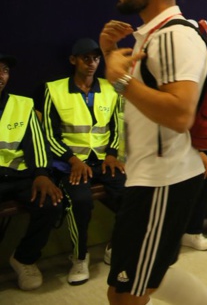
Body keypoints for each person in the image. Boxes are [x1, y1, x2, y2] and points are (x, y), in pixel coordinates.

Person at [99, 0, 207, 305]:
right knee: (148, 278)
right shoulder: (152, 34)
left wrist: (121, 81)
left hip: (162, 180)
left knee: (125, 293)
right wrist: (110, 53)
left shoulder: (173, 36)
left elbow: (179, 113)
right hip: (151, 176)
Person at [41, 38, 126, 285]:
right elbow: (48, 134)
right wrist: (72, 160)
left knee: (130, 194)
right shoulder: (53, 89)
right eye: (86, 58)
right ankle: (79, 257)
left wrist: (112, 153)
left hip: (103, 160)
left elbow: (118, 125)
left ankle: (115, 246)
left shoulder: (111, 88)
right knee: (80, 201)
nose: (92, 63)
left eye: (96, 58)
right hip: (70, 165)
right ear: (73, 60)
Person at [1, 53, 63, 291]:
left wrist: (41, 174)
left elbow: (36, 143)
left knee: (51, 203)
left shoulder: (22, 104)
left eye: (5, 70)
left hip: (19, 175)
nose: (1, 75)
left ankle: (24, 258)